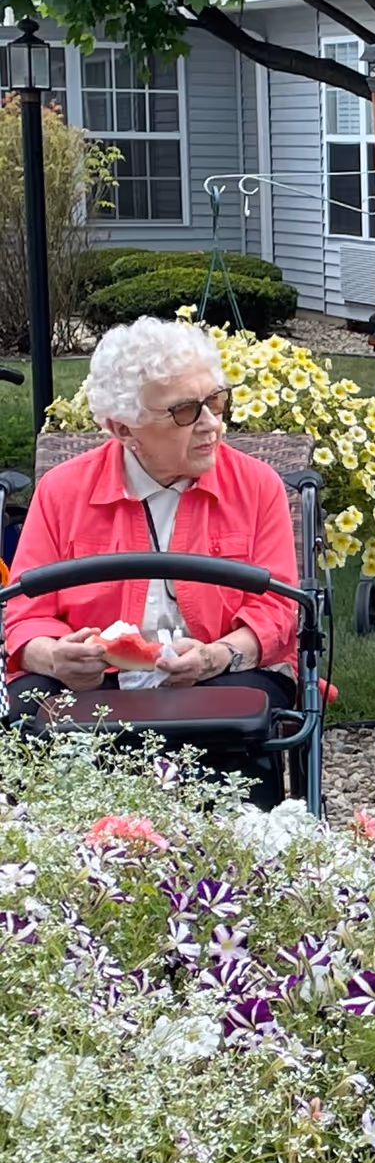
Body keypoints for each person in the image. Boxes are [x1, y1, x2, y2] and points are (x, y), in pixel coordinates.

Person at [3, 315, 299, 806]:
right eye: (186, 412)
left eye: (216, 400)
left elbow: (277, 611)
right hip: (93, 683)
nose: (212, 424)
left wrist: (216, 656)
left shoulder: (258, 486)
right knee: (30, 709)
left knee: (246, 718)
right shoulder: (62, 491)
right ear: (122, 427)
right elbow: (25, 613)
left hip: (220, 674)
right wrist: (54, 655)